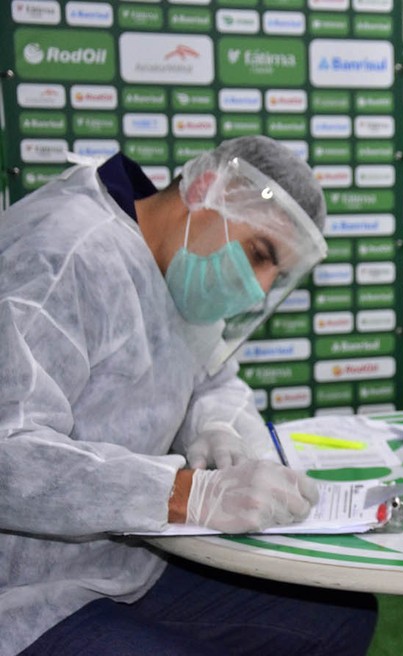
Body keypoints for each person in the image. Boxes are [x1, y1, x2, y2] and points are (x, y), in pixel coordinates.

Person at [0, 136, 377, 655]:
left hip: (129, 566)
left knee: (337, 614)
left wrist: (216, 427)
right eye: (260, 254)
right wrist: (186, 494)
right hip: (25, 596)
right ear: (205, 189)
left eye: (278, 274)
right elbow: (8, 452)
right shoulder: (63, 253)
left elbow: (214, 378)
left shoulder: (173, 268)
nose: (260, 288)